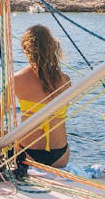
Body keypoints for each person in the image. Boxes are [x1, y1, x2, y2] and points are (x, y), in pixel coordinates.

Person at [13, 25, 71, 167]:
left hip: (27, 153)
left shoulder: (16, 80)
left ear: (25, 49)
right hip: (60, 155)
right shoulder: (65, 80)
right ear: (52, 46)